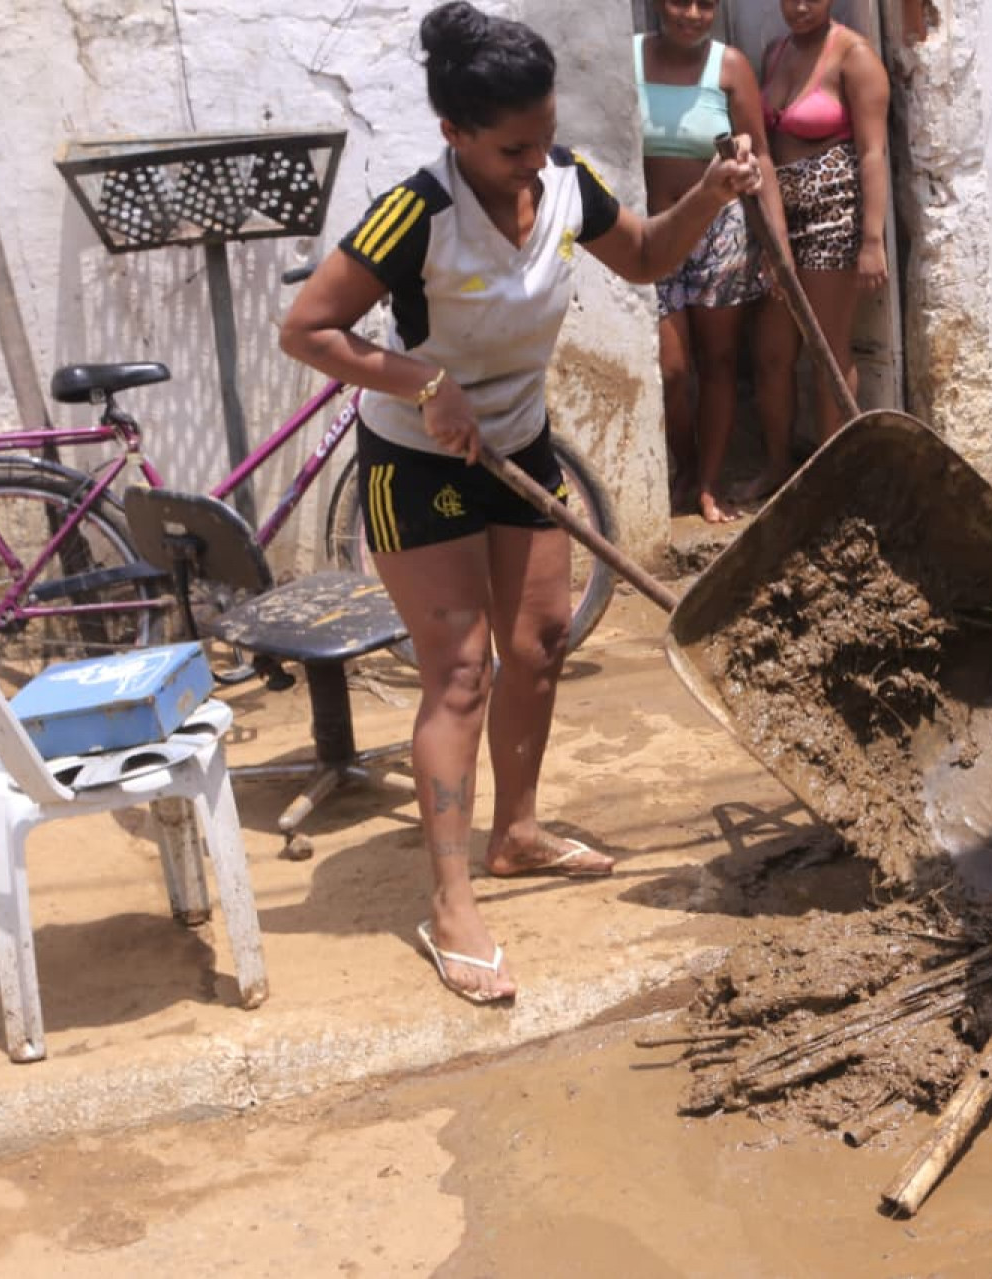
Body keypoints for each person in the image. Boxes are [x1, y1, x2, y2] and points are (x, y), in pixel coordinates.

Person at [279, 1, 761, 1004]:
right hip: (417, 461)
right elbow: (308, 330)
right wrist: (424, 382)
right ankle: (452, 899)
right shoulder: (415, 213)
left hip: (520, 443)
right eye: (511, 149)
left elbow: (646, 255)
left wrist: (711, 195)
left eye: (545, 136)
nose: (534, 162)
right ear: (454, 133)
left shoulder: (566, 181)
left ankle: (518, 832)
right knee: (460, 673)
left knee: (538, 642)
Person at [638, 0, 788, 523]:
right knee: (672, 370)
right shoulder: (629, 60)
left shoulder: (730, 66)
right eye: (680, 1)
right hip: (654, 234)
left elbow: (761, 154)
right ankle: (686, 462)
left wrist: (777, 244)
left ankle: (707, 482)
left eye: (705, 3)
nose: (692, 14)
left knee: (719, 361)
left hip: (720, 234)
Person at [749, 0, 891, 494]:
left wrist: (872, 240)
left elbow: (872, 153)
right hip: (780, 225)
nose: (800, 6)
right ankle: (778, 469)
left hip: (834, 221)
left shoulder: (855, 56)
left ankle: (832, 480)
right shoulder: (775, 53)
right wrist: (771, 234)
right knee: (772, 355)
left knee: (828, 352)